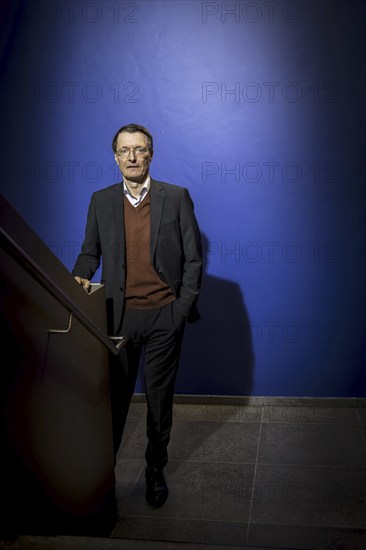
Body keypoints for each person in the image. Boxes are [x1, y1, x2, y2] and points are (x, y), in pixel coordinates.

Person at [72, 123, 202, 508]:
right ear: (115, 157)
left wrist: (181, 309)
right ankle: (101, 475)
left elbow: (194, 258)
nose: (132, 157)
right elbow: (89, 252)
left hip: (165, 316)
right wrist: (80, 274)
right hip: (119, 318)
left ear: (150, 154)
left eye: (139, 150)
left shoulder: (176, 197)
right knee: (114, 402)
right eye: (124, 150)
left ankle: (155, 470)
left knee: (159, 403)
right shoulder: (101, 200)